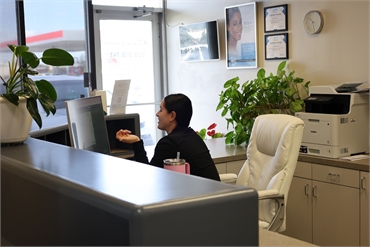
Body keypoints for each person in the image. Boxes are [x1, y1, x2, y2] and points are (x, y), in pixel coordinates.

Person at [116, 93, 220, 181]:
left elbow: (148, 177)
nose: (157, 114)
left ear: (172, 116)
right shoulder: (192, 136)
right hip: (215, 198)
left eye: (161, 110)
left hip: (200, 201)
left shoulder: (169, 143)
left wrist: (136, 143)